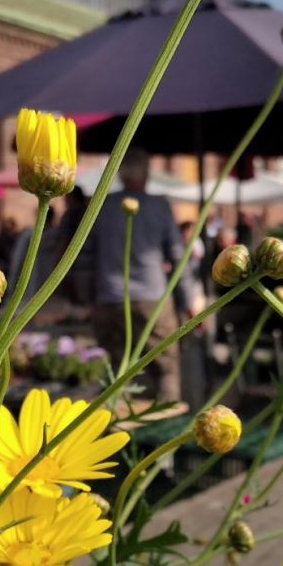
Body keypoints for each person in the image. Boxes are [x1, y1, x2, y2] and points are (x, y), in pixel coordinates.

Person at [85, 148, 197, 407]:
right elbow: (178, 256)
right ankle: (166, 434)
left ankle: (114, 430)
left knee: (115, 370)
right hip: (152, 300)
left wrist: (87, 297)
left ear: (120, 176)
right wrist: (189, 299)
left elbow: (85, 255)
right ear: (147, 175)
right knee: (166, 368)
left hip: (108, 298)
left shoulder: (101, 204)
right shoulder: (160, 206)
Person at [54, 186, 92, 305]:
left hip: (76, 262)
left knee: (76, 296)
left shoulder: (71, 213)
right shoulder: (89, 210)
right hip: (92, 262)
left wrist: (58, 263)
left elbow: (64, 238)